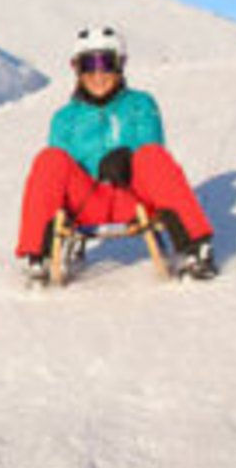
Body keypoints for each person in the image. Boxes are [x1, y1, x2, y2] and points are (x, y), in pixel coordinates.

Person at [15, 24, 218, 281]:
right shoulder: (65, 118)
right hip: (87, 201)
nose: (98, 74)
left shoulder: (140, 104)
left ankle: (196, 249)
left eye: (106, 63)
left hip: (134, 197)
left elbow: (152, 145)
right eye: (89, 64)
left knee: (152, 156)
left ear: (120, 65)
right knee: (49, 160)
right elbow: (57, 175)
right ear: (76, 69)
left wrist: (127, 159)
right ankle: (37, 256)